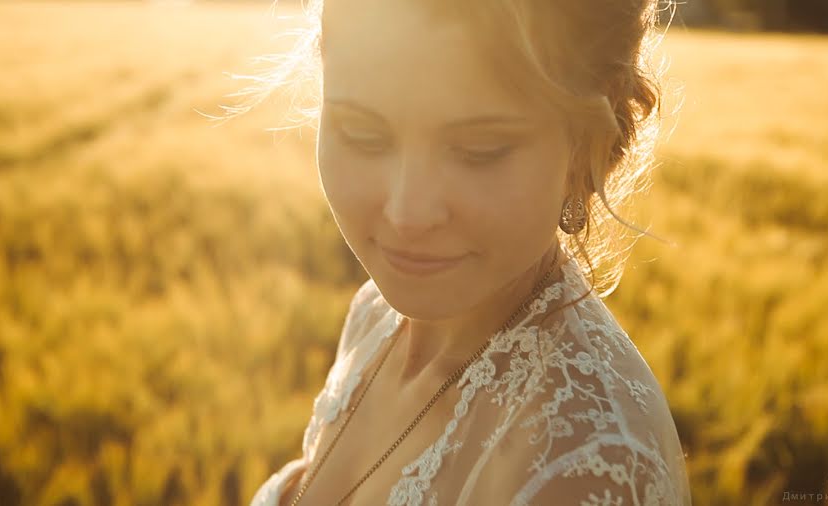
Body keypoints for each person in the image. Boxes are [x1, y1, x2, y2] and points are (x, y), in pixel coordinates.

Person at [242, 0, 692, 504]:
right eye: (363, 135)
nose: (407, 214)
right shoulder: (376, 316)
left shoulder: (586, 466)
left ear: (585, 140)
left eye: (480, 151)